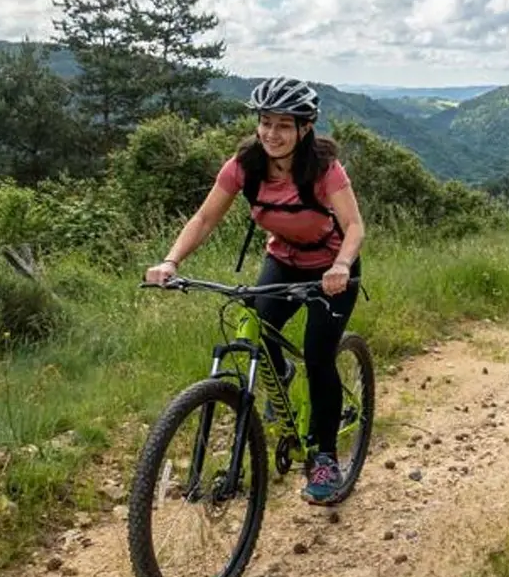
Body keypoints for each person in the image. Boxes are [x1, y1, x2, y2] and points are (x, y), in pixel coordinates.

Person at [145, 78, 366, 505]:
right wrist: (171, 261)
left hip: (332, 267)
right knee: (255, 326)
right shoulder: (244, 165)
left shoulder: (324, 168)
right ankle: (277, 373)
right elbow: (205, 218)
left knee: (319, 356)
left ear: (305, 128)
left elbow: (354, 225)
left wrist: (341, 265)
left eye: (284, 124)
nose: (272, 133)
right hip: (283, 260)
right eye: (266, 122)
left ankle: (323, 457)